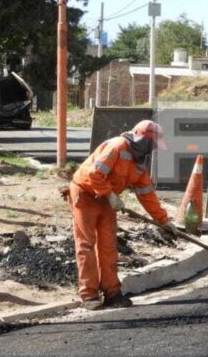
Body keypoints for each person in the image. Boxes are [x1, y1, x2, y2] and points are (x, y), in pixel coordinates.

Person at [69, 119, 177, 309]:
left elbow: (147, 194)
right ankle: (89, 295)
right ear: (143, 140)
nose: (152, 150)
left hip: (106, 199)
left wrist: (163, 220)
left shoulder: (138, 164)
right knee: (86, 244)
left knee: (109, 246)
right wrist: (110, 194)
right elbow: (95, 174)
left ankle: (112, 292)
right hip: (85, 194)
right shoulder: (116, 147)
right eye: (151, 145)